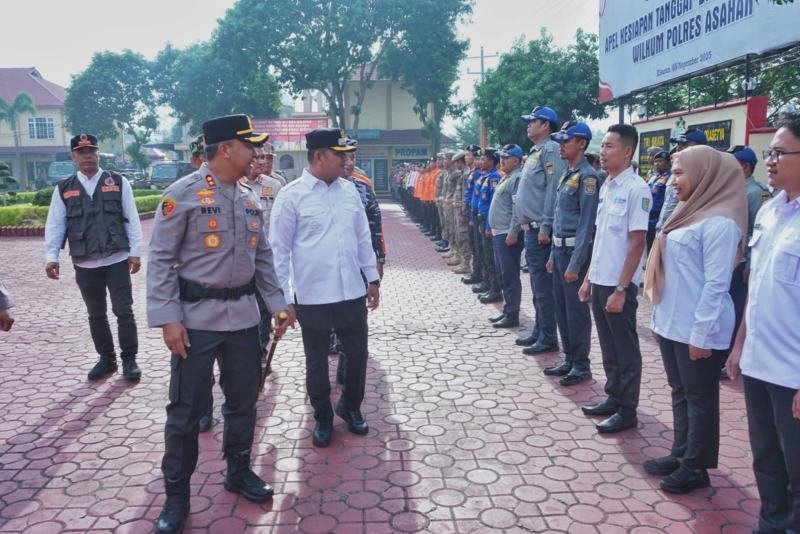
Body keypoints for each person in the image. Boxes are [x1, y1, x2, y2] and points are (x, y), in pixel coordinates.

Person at [147, 114, 293, 534]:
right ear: (226, 148)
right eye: (250, 146)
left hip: (245, 318)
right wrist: (167, 318)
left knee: (243, 402)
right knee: (186, 411)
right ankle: (177, 497)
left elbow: (262, 256)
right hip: (196, 321)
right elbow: (160, 259)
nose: (257, 154)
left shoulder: (249, 196)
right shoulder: (183, 194)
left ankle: (237, 471)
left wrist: (278, 304)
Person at [643, 146, 746, 494]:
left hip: (700, 328)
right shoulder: (687, 213)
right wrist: (659, 321)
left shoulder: (720, 223)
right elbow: (670, 275)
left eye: (680, 173)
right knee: (680, 391)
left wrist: (700, 336)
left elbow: (717, 285)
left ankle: (697, 466)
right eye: (672, 172)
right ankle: (681, 452)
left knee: (700, 397)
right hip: (673, 322)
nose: (673, 181)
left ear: (704, 174)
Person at [269, 128, 380, 448]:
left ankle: (351, 407)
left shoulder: (350, 192)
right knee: (316, 360)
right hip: (313, 296)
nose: (347, 160)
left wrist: (371, 278)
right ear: (319, 156)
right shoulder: (291, 196)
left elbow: (362, 238)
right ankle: (322, 416)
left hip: (351, 293)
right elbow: (280, 252)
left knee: (357, 355)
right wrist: (284, 299)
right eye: (339, 155)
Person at [726, 112, 800, 534]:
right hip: (758, 363)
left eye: (780, 153)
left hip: (792, 372)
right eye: (769, 153)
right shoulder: (770, 212)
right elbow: (756, 291)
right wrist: (739, 346)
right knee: (766, 462)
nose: (770, 161)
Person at [44, 133, 143, 381]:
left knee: (124, 310)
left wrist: (135, 252)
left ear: (98, 153)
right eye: (81, 152)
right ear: (73, 156)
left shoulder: (118, 181)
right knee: (96, 314)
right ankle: (106, 359)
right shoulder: (64, 189)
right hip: (84, 262)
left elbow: (132, 219)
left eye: (91, 151)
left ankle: (129, 360)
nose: (87, 156)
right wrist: (51, 256)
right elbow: (55, 224)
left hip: (116, 258)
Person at [578, 123, 651, 434]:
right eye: (603, 146)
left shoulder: (637, 189)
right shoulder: (608, 186)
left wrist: (622, 288)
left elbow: (637, 243)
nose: (603, 152)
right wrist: (588, 279)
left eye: (609, 146)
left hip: (619, 285)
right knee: (608, 346)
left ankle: (627, 409)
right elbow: (602, 240)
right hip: (601, 280)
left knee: (625, 349)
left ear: (627, 151)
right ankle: (613, 397)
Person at [544, 121, 600, 386]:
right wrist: (553, 256)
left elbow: (586, 226)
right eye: (560, 141)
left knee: (576, 311)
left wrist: (575, 264)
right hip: (559, 250)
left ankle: (581, 364)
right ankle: (569, 358)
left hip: (574, 254)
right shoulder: (568, 174)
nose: (561, 145)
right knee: (561, 308)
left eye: (567, 140)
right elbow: (559, 218)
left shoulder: (588, 177)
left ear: (582, 143)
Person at [515, 106, 566, 353]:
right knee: (536, 286)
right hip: (530, 229)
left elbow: (552, 190)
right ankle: (540, 329)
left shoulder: (551, 150)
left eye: (532, 121)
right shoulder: (534, 152)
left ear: (546, 125)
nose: (528, 125)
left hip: (540, 230)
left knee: (544, 288)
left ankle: (548, 337)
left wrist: (546, 225)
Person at [721, 146, 773, 379]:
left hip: (742, 261)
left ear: (744, 167)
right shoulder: (733, 189)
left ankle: (731, 356)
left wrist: (750, 264)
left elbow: (758, 232)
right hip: (728, 260)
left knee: (736, 308)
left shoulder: (757, 193)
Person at [487, 144, 524, 327]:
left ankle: (512, 314)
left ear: (516, 161)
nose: (501, 160)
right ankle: (507, 310)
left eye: (506, 157)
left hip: (506, 235)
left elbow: (517, 208)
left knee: (509, 276)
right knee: (503, 274)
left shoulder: (517, 178)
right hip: (498, 233)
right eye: (501, 157)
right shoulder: (506, 177)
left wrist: (513, 231)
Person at [657, 128, 707, 231]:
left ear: (700, 147)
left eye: (684, 144)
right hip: (663, 228)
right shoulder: (675, 171)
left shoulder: (702, 176)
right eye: (678, 144)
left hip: (682, 232)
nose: (678, 148)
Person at [476, 148, 503, 303]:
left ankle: (495, 290)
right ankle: (488, 284)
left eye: (484, 159)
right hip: (480, 218)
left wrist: (488, 226)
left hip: (487, 221)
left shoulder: (494, 178)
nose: (481, 161)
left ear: (492, 161)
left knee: (490, 258)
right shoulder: (485, 176)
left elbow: (493, 204)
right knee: (484, 255)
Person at [461, 145, 484, 284]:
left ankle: (479, 274)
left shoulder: (479, 174)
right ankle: (476, 273)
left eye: (468, 155)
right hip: (471, 211)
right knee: (474, 245)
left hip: (476, 213)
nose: (466, 157)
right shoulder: (472, 172)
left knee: (478, 246)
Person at [646, 150, 671, 253]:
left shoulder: (670, 177)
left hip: (659, 218)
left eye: (660, 161)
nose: (656, 164)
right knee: (648, 247)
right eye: (655, 161)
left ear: (668, 163)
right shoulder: (653, 177)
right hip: (648, 217)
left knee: (657, 250)